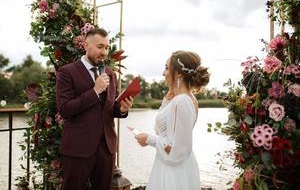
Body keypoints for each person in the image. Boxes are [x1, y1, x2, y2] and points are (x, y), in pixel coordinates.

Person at [56, 28, 133, 190]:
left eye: (106, 47)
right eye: (99, 46)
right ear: (85, 46)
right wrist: (94, 91)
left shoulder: (111, 74)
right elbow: (65, 109)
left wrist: (123, 109)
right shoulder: (67, 72)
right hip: (78, 148)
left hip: (106, 148)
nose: (104, 52)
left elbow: (112, 108)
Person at [135, 50, 210, 190]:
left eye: (167, 68)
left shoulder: (181, 102)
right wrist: (167, 99)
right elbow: (160, 130)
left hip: (174, 171)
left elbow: (177, 149)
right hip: (174, 165)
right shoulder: (186, 99)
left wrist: (149, 139)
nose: (164, 73)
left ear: (179, 73)